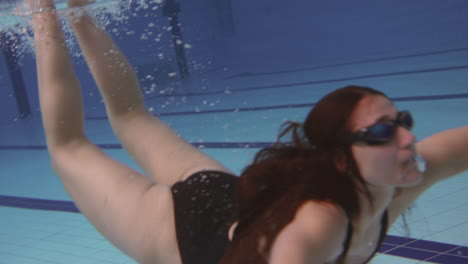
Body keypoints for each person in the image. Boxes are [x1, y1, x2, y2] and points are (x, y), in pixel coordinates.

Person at [27, 1, 467, 264]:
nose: (408, 139)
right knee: (68, 146)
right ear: (340, 159)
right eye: (382, 132)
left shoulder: (396, 182)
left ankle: (80, 11)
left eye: (403, 122)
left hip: (225, 193)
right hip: (176, 232)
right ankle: (41, 13)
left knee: (130, 115)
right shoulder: (320, 225)